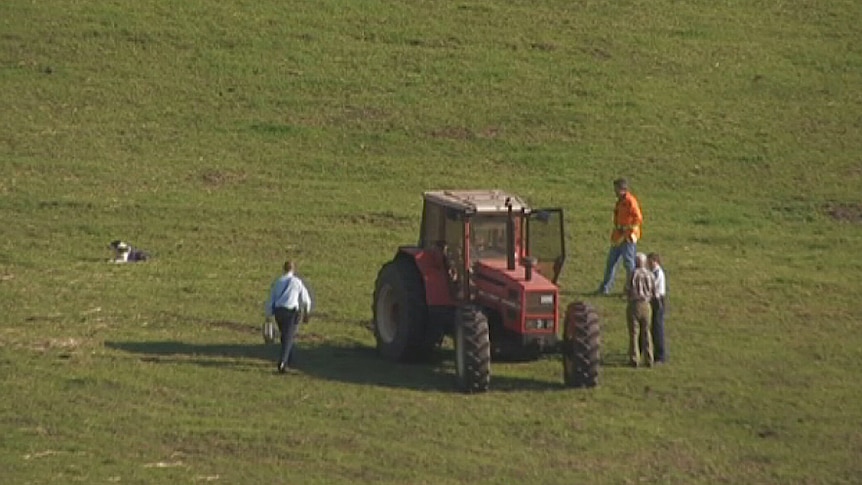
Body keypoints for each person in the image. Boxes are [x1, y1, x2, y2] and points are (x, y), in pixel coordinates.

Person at [264, 260, 312, 373]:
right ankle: (283, 362)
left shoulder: (278, 282)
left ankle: (289, 358)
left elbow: (271, 299)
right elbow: (306, 299)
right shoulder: (297, 282)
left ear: (283, 269)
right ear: (293, 269)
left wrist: (268, 315)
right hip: (291, 312)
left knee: (285, 336)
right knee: (289, 336)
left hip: (279, 312)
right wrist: (307, 313)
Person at [597, 178, 643, 295]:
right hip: (618, 237)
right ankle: (605, 288)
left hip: (628, 237)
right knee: (611, 262)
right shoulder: (620, 201)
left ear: (622, 189)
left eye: (616, 189)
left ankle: (631, 289)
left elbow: (638, 218)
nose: (615, 191)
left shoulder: (630, 201)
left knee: (629, 264)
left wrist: (627, 228)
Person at [625, 252, 655, 367]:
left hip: (635, 304)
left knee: (634, 333)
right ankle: (649, 358)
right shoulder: (650, 275)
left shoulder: (633, 274)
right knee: (647, 332)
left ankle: (634, 359)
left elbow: (628, 288)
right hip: (647, 305)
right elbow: (654, 290)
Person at [648, 253, 668, 363]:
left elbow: (652, 286)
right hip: (655, 300)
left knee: (658, 328)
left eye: (650, 262)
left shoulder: (657, 273)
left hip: (658, 301)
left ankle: (660, 355)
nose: (649, 264)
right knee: (654, 328)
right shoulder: (653, 272)